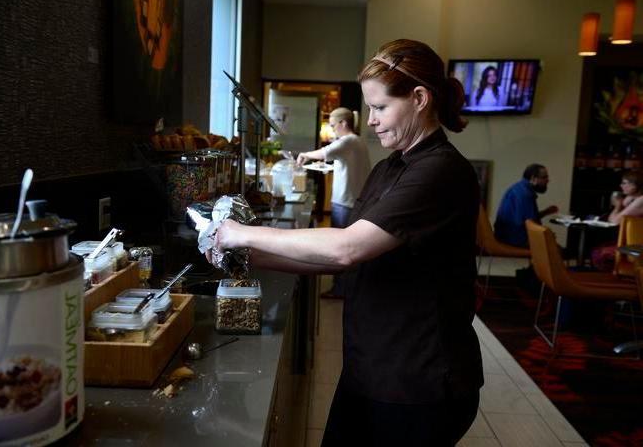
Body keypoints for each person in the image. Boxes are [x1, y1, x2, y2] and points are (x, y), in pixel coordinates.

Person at [207, 39, 482, 446]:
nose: (369, 120)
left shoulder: (441, 171)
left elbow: (346, 247)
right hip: (371, 368)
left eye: (380, 107)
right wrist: (246, 255)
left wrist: (237, 232)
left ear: (420, 98)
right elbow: (340, 261)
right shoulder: (391, 167)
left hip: (418, 380)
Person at [297, 107, 371, 298]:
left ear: (343, 123)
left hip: (345, 202)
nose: (332, 130)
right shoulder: (356, 142)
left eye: (332, 125)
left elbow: (324, 152)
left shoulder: (348, 141)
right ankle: (346, 288)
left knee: (341, 250)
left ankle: (341, 290)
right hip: (352, 200)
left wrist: (305, 154)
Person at [494, 164, 559, 248]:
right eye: (544, 177)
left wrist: (546, 212)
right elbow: (530, 224)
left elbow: (527, 219)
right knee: (558, 250)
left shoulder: (520, 188)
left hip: (507, 236)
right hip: (513, 239)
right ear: (533, 179)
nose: (548, 180)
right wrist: (547, 234)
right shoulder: (525, 194)